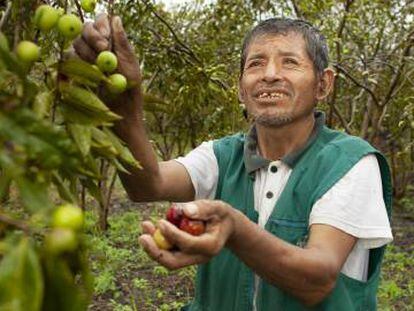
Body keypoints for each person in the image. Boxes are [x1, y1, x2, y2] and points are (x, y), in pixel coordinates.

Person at [74, 15, 393, 310]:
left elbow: (317, 280)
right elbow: (147, 184)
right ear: (241, 87)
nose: (270, 75)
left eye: (290, 62)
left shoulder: (350, 161)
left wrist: (236, 229)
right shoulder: (221, 156)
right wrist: (126, 103)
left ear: (323, 84)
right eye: (256, 64)